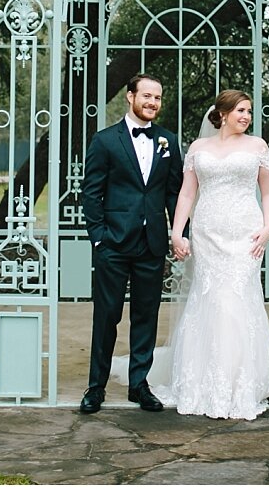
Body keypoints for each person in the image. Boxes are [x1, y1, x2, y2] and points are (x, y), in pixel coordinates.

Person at [154, 89, 269, 419]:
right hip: (207, 233)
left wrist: (267, 227)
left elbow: (268, 190)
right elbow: (186, 194)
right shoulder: (198, 148)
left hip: (245, 234)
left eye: (249, 112)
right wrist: (177, 231)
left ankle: (240, 383)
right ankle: (204, 382)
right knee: (211, 299)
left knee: (236, 298)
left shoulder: (257, 147)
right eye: (240, 110)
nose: (246, 117)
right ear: (222, 113)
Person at [79, 73, 183, 414]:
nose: (153, 102)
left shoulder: (168, 141)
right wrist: (99, 238)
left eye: (158, 97)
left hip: (151, 244)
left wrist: (178, 232)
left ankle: (139, 385)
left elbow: (173, 193)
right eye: (147, 96)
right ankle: (96, 387)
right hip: (113, 244)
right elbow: (91, 193)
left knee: (145, 317)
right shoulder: (105, 141)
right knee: (106, 316)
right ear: (130, 96)